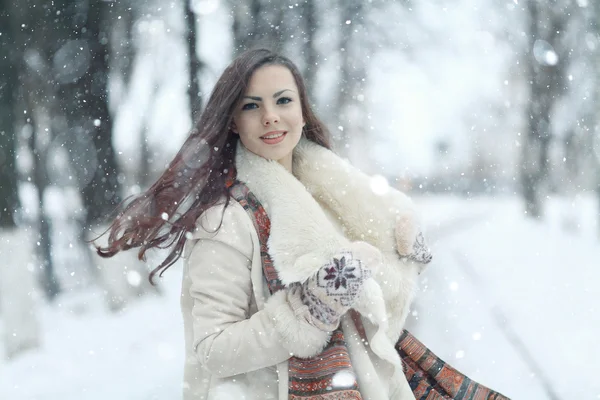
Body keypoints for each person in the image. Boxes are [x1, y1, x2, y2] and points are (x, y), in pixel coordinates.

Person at [97, 49, 509, 400]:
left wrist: (395, 256)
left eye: (282, 101)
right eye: (251, 106)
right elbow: (213, 349)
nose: (271, 117)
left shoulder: (328, 198)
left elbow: (368, 320)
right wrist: (308, 310)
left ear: (301, 108)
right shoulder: (223, 221)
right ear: (233, 122)